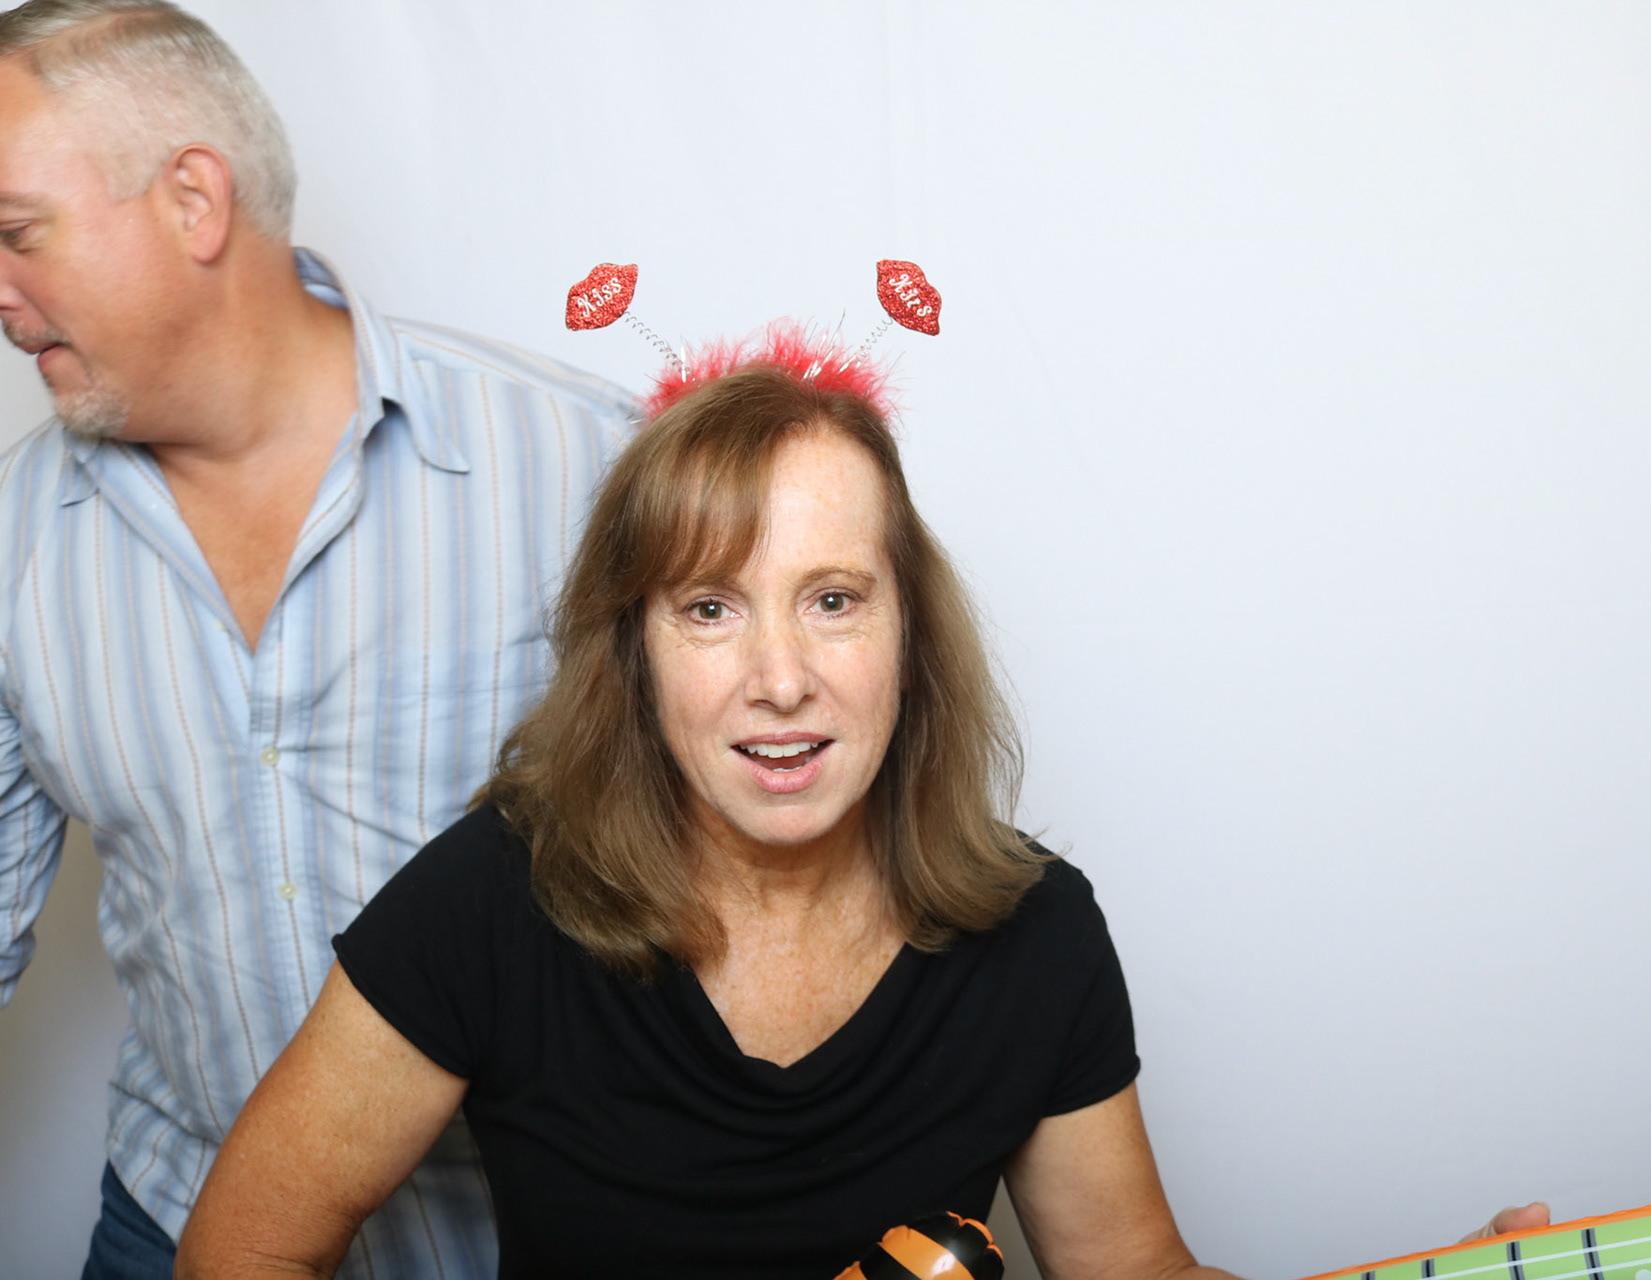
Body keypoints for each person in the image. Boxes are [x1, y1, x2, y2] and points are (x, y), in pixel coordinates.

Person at [175, 331, 1549, 1277]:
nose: (781, 677)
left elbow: (1135, 1274)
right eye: (710, 608)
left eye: (833, 600)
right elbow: (242, 1252)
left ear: (908, 633)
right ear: (634, 653)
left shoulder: (1037, 933)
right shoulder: (493, 900)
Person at [0, 2, 634, 1276]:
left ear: (193, 200)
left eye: (17, 233)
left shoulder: (585, 462)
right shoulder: (11, 539)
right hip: (181, 1217)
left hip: (541, 1232)